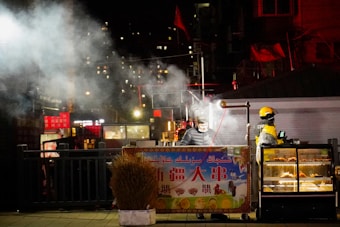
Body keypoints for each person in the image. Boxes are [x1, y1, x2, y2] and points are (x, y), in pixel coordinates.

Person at [179, 116, 229, 221]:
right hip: (196, 167)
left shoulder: (212, 133)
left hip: (211, 166)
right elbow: (182, 147)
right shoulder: (190, 133)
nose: (203, 125)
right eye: (201, 123)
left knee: (214, 188)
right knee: (198, 188)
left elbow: (221, 146)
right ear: (197, 123)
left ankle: (216, 212)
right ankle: (199, 211)